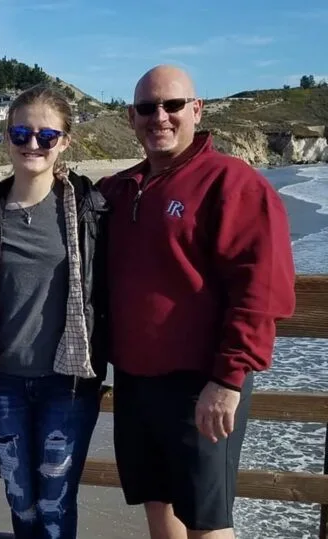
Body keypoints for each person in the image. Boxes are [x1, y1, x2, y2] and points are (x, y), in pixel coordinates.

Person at [98, 65, 296, 539]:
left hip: (202, 384)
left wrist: (228, 380)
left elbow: (262, 289)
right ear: (131, 117)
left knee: (207, 520)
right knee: (157, 503)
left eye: (172, 105)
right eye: (147, 107)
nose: (159, 117)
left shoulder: (232, 183)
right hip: (135, 381)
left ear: (196, 109)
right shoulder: (119, 189)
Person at [0, 84, 108, 539]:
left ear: (64, 141)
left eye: (46, 136)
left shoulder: (88, 207)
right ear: (7, 137)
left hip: (65, 383)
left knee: (55, 509)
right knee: (21, 504)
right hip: (1, 381)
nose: (32, 144)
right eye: (22, 133)